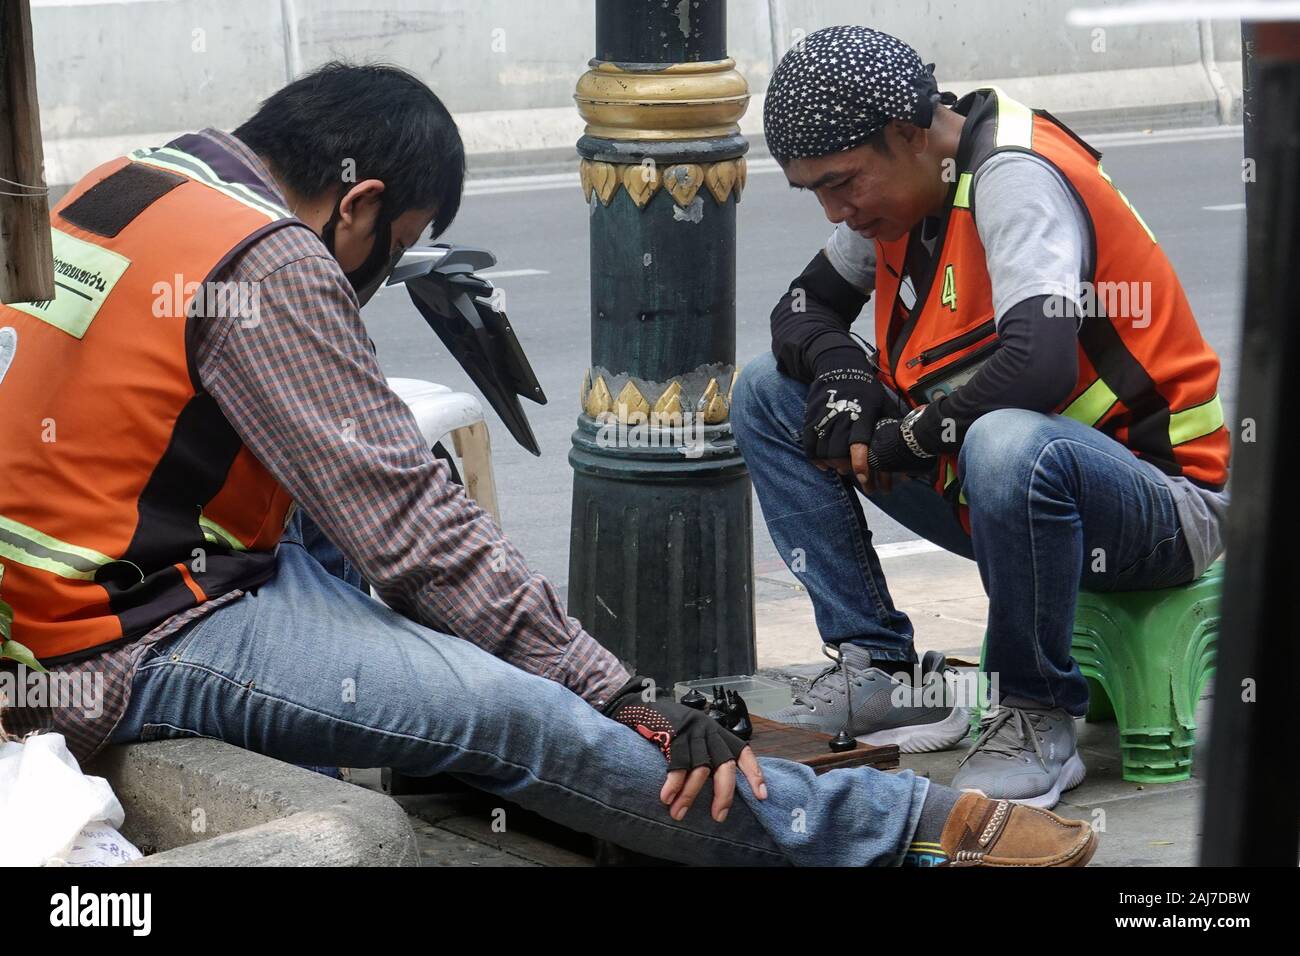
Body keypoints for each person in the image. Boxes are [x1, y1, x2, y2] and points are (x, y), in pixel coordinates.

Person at [0, 62, 1095, 866]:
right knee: (512, 708)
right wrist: (621, 694)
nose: (374, 279)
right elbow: (415, 537)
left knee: (468, 608)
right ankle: (898, 833)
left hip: (93, 583)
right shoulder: (271, 261)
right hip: (134, 635)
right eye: (395, 245)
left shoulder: (141, 178)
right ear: (361, 202)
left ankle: (437, 740)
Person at [732, 26, 1230, 809]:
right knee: (768, 390)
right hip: (1007, 494)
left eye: (843, 182)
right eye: (815, 192)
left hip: (1160, 506)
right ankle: (883, 672)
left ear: (908, 134)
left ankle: (1036, 715)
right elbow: (801, 308)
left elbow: (1039, 364)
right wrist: (841, 371)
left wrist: (904, 438)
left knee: (1006, 440)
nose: (835, 209)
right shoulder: (905, 193)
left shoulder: (1013, 178)